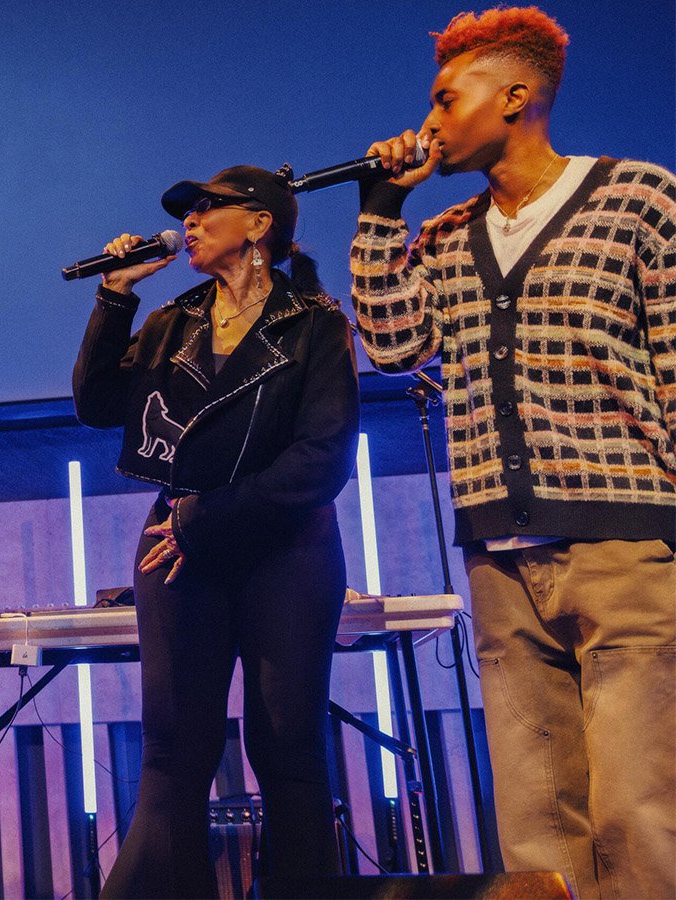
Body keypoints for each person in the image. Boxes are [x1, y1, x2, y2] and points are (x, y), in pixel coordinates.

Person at [351, 7, 676, 896]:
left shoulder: (637, 196)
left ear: (516, 97)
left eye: (448, 99)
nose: (428, 124)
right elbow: (391, 343)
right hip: (498, 553)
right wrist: (383, 209)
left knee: (638, 806)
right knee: (537, 820)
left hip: (625, 541)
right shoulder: (448, 234)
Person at [73, 166, 360, 898]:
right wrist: (116, 295)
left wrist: (211, 518)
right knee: (174, 751)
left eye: (208, 209)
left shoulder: (318, 322)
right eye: (186, 213)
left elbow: (320, 459)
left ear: (260, 223)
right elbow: (100, 403)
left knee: (288, 746)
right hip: (180, 549)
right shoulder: (175, 320)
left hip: (284, 547)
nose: (190, 222)